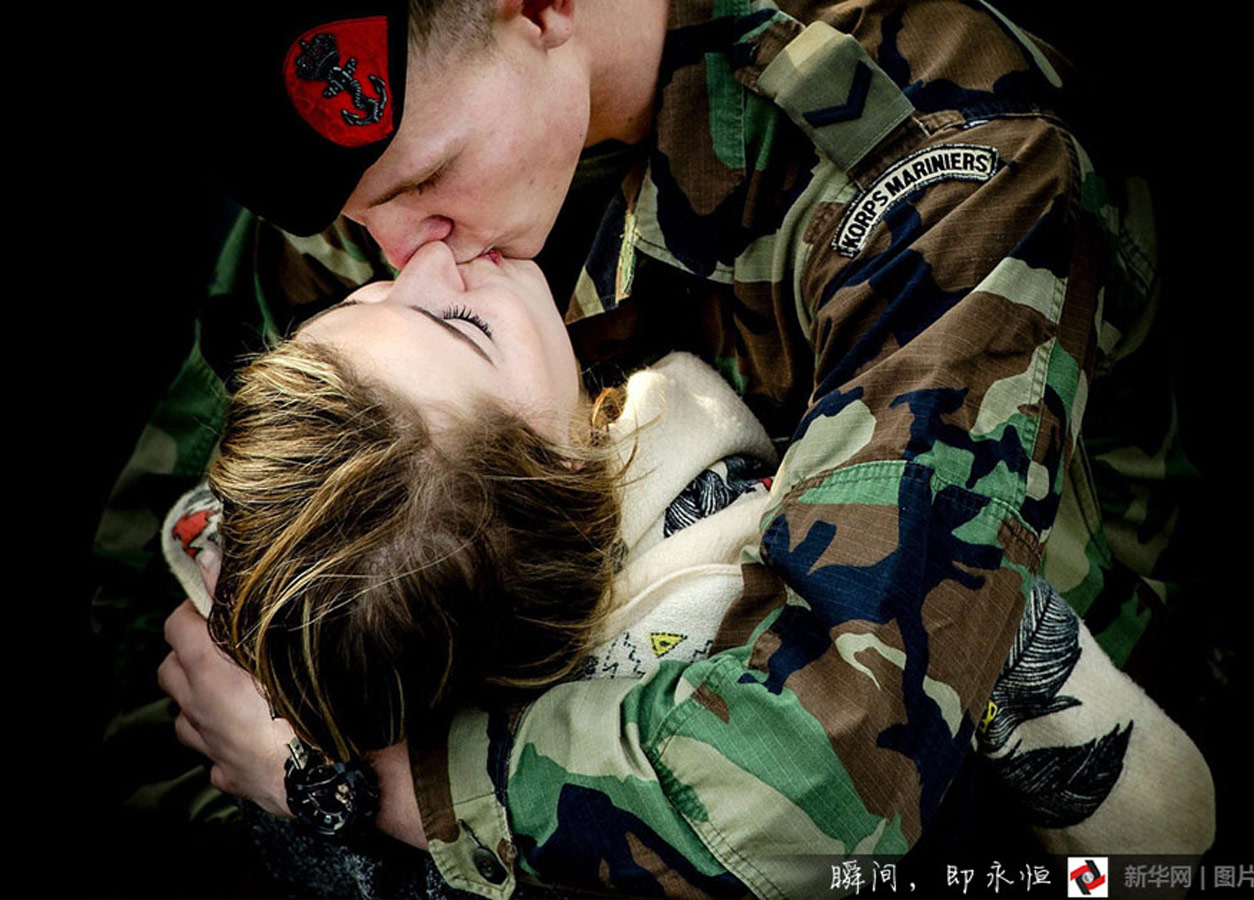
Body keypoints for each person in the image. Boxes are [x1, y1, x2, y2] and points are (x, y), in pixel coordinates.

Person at [133, 0, 1192, 895]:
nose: (403, 256)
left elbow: (828, 774)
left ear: (540, 7)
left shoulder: (938, 163)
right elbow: (152, 608)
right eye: (367, 217)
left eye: (423, 184)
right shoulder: (388, 157)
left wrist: (362, 785)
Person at [165, 243, 1210, 886]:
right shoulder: (749, 615)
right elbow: (1162, 837)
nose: (430, 259)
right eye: (462, 325)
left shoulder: (316, 608)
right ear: (566, 482)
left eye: (360, 302)